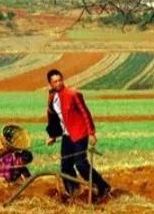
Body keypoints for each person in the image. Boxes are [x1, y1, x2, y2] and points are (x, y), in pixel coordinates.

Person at [45, 68, 111, 199]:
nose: (58, 83)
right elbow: (54, 118)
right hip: (66, 135)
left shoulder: (73, 94)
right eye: (55, 81)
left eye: (60, 80)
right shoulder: (52, 98)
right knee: (65, 166)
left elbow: (85, 112)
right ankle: (74, 192)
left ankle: (103, 186)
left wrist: (91, 133)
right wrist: (52, 136)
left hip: (79, 133)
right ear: (50, 84)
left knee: (80, 164)